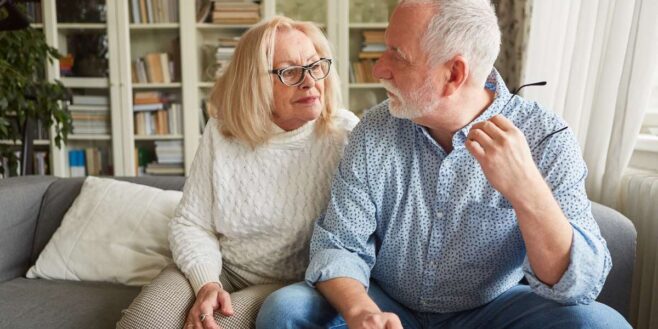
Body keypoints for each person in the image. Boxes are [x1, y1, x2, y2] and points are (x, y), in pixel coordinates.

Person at [256, 1, 631, 328]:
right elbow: (339, 244)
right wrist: (360, 312)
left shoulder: (545, 137)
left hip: (494, 308)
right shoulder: (374, 130)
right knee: (285, 311)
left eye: (397, 56)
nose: (379, 69)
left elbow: (577, 286)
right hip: (386, 300)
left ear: (454, 74)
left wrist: (527, 191)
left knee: (602, 323)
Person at [116, 16, 358, 329]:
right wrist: (207, 283)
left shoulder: (345, 134)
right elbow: (192, 222)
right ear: (254, 80)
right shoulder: (221, 132)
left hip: (289, 284)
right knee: (141, 324)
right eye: (289, 72)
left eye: (315, 65)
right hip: (221, 267)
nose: (310, 81)